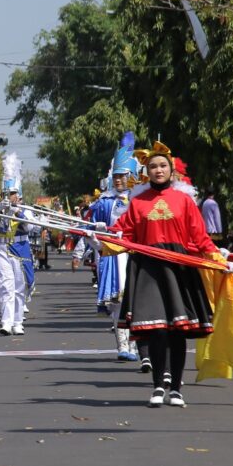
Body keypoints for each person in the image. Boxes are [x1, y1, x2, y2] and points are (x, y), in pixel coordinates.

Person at [105, 141, 232, 408]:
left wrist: (220, 259)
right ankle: (157, 387)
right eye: (153, 166)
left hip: (179, 268)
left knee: (176, 331)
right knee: (157, 330)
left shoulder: (185, 201)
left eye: (163, 165)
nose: (158, 170)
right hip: (148, 269)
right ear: (147, 172)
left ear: (171, 170)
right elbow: (122, 234)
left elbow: (199, 238)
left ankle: (176, 389)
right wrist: (101, 236)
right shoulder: (138, 202)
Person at [89, 133, 140, 363]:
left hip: (137, 254)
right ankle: (122, 345)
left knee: (138, 301)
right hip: (114, 255)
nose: (119, 180)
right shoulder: (104, 202)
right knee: (118, 302)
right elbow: (88, 229)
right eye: (116, 176)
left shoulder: (141, 200)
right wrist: (96, 232)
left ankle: (136, 345)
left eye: (123, 176)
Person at [0, 153, 31, 336]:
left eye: (12, 193)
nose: (9, 196)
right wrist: (0, 212)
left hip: (20, 248)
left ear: (18, 195)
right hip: (2, 247)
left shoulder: (25, 209)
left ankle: (17, 321)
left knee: (20, 286)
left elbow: (30, 228)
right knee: (6, 285)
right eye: (6, 193)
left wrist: (18, 213)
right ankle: (5, 322)